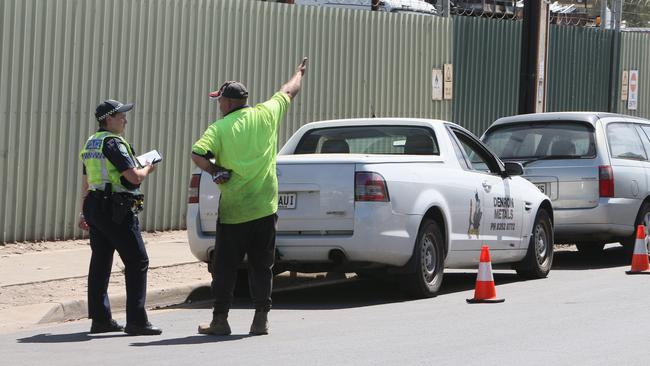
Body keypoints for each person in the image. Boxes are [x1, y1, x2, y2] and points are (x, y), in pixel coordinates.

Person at [192, 58, 308, 336]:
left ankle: (220, 320)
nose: (219, 105)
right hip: (265, 209)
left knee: (225, 268)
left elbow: (198, 153)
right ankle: (260, 319)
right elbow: (289, 91)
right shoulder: (266, 113)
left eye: (220, 100)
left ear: (229, 102)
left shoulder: (219, 129)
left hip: (233, 213)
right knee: (262, 266)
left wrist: (215, 169)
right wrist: (300, 73)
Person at [78, 99, 162, 336]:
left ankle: (101, 320)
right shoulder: (113, 143)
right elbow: (133, 178)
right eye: (120, 116)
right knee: (137, 261)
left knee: (101, 262)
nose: (125, 119)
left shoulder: (92, 142)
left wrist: (83, 210)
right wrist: (149, 167)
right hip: (115, 208)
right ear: (108, 119)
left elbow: (86, 180)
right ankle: (136, 321)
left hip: (95, 204)